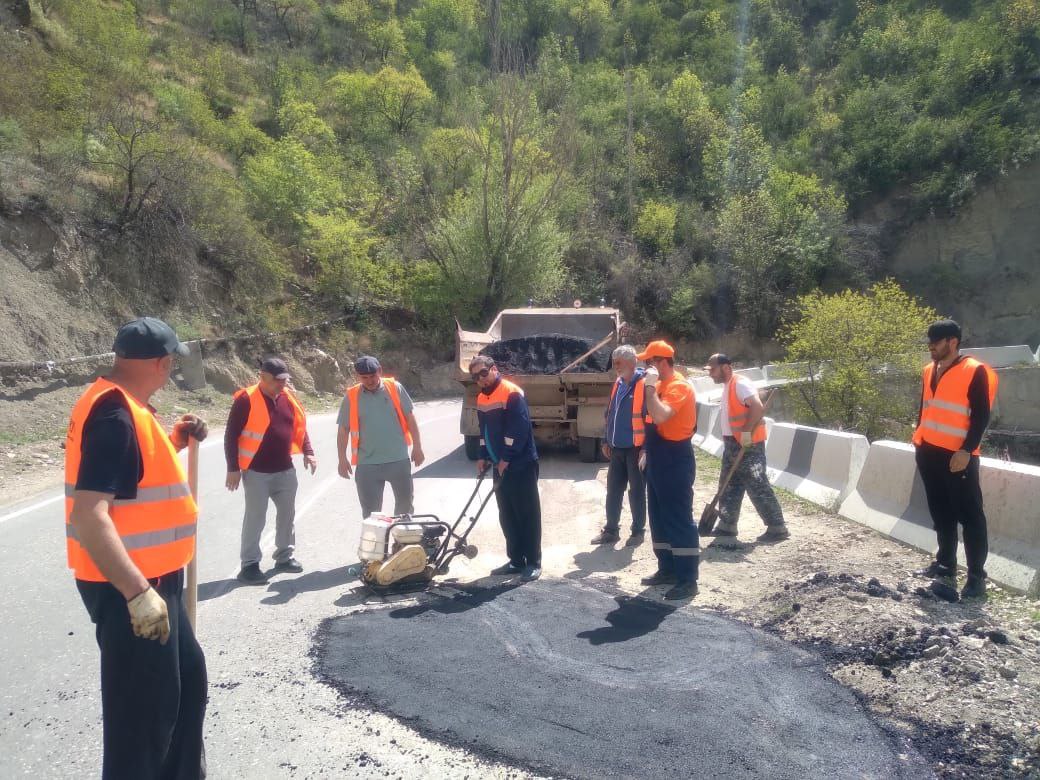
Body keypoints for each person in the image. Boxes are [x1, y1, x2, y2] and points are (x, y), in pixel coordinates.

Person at [65, 316, 208, 779]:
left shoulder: (127, 404)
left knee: (185, 686)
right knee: (142, 721)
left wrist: (175, 441)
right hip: (132, 590)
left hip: (157, 582)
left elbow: (131, 477)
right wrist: (136, 593)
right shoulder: (114, 413)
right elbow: (89, 515)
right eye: (172, 365)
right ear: (163, 363)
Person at [912, 319, 997, 600]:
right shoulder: (929, 370)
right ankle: (946, 564)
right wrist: (919, 440)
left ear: (952, 342)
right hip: (929, 451)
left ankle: (976, 578)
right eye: (929, 342)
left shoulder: (975, 371)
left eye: (935, 342)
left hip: (958, 456)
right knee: (941, 511)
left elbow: (982, 415)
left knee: (970, 516)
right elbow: (926, 409)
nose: (930, 347)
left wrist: (966, 450)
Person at [225, 357, 317, 585]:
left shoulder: (288, 398)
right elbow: (231, 435)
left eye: (285, 380)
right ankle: (249, 566)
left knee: (287, 516)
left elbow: (299, 427)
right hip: (257, 472)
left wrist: (308, 451)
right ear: (263, 377)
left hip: (285, 469)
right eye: (277, 380)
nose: (282, 384)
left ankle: (284, 557)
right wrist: (233, 468)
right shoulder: (246, 399)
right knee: (255, 519)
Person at [470, 355, 542, 581]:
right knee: (507, 514)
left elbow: (518, 430)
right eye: (475, 376)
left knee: (527, 513)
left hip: (521, 463)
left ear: (493, 369)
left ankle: (533, 561)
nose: (480, 379)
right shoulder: (482, 398)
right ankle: (515, 560)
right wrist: (482, 455)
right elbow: (484, 433)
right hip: (499, 464)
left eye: (483, 373)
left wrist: (507, 458)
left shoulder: (511, 392)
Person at [704, 353, 789, 542]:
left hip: (749, 443)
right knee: (729, 483)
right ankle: (727, 525)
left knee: (756, 483)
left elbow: (757, 408)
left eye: (713, 369)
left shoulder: (740, 383)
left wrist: (745, 434)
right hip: (732, 443)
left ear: (726, 367)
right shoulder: (729, 386)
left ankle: (777, 527)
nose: (710, 374)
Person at [637, 340, 699, 600]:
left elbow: (661, 416)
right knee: (659, 517)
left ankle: (688, 579)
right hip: (657, 456)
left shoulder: (678, 387)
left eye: (649, 362)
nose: (645, 367)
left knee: (678, 518)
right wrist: (645, 450)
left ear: (661, 362)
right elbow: (650, 422)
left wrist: (649, 387)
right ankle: (667, 568)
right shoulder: (659, 386)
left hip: (676, 458)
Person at [337, 355, 425, 518]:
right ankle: (376, 543)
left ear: (380, 371)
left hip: (398, 460)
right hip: (367, 464)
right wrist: (342, 459)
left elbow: (410, 419)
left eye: (373, 376)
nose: (370, 381)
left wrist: (417, 447)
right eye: (364, 377)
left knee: (405, 509)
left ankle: (402, 542)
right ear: (358, 376)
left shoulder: (395, 388)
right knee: (371, 515)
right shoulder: (351, 396)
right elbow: (343, 429)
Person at [591, 344, 647, 547]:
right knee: (613, 491)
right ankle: (611, 531)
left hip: (635, 449)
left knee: (637, 491)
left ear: (632, 363)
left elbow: (649, 420)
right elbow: (610, 414)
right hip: (616, 449)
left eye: (619, 363)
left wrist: (646, 449)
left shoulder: (644, 385)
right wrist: (606, 440)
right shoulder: (618, 384)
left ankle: (638, 531)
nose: (615, 366)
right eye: (614, 362)